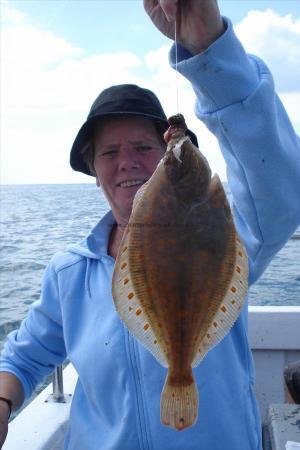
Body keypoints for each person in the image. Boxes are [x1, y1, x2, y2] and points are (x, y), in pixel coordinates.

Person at [1, 0, 300, 448]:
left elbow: (280, 190)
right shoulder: (69, 273)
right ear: (93, 169)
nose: (127, 163)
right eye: (108, 152)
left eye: (143, 146)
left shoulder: (228, 235)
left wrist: (208, 48)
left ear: (165, 154)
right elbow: (25, 357)